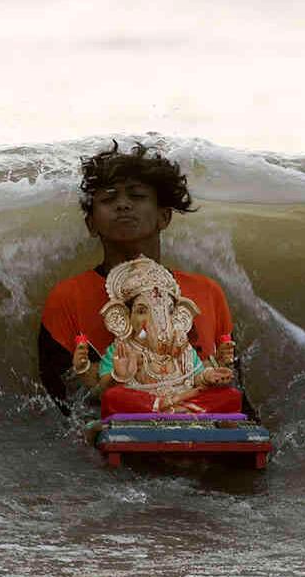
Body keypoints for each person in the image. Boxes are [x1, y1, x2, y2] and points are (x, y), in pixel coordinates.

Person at [37, 142, 237, 413]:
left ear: (164, 216)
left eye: (137, 196)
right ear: (91, 224)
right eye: (108, 199)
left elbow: (234, 381)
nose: (122, 205)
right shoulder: (67, 297)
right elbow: (60, 400)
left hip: (201, 427)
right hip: (124, 431)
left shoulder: (207, 292)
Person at [88, 256, 238, 416]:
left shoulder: (183, 348)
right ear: (123, 317)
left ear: (177, 315)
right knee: (113, 397)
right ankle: (163, 407)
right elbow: (100, 393)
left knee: (231, 396)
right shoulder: (121, 349)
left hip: (184, 401)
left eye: (166, 311)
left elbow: (196, 378)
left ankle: (175, 410)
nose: (157, 320)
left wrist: (208, 376)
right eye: (141, 311)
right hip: (143, 408)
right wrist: (118, 377)